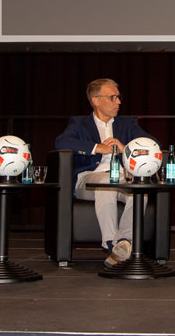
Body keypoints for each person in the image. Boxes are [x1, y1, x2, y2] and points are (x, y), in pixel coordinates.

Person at [54, 78, 157, 267]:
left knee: (139, 193)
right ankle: (111, 243)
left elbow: (151, 143)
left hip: (123, 178)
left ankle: (123, 244)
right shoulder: (79, 124)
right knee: (106, 182)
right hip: (89, 179)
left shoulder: (126, 124)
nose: (118, 102)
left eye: (118, 97)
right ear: (96, 100)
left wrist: (125, 147)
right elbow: (62, 143)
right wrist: (97, 148)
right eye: (113, 97)